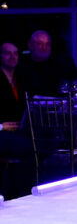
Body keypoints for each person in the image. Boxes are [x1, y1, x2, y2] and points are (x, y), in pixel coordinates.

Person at [0, 41, 35, 199]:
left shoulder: (21, 77)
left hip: (19, 129)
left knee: (39, 142)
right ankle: (21, 194)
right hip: (2, 131)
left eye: (15, 53)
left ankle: (24, 191)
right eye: (8, 53)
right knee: (27, 147)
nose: (12, 57)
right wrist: (1, 126)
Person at [16, 30, 77, 97]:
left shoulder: (61, 65)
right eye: (39, 44)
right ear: (30, 45)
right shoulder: (21, 67)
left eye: (47, 44)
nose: (44, 48)